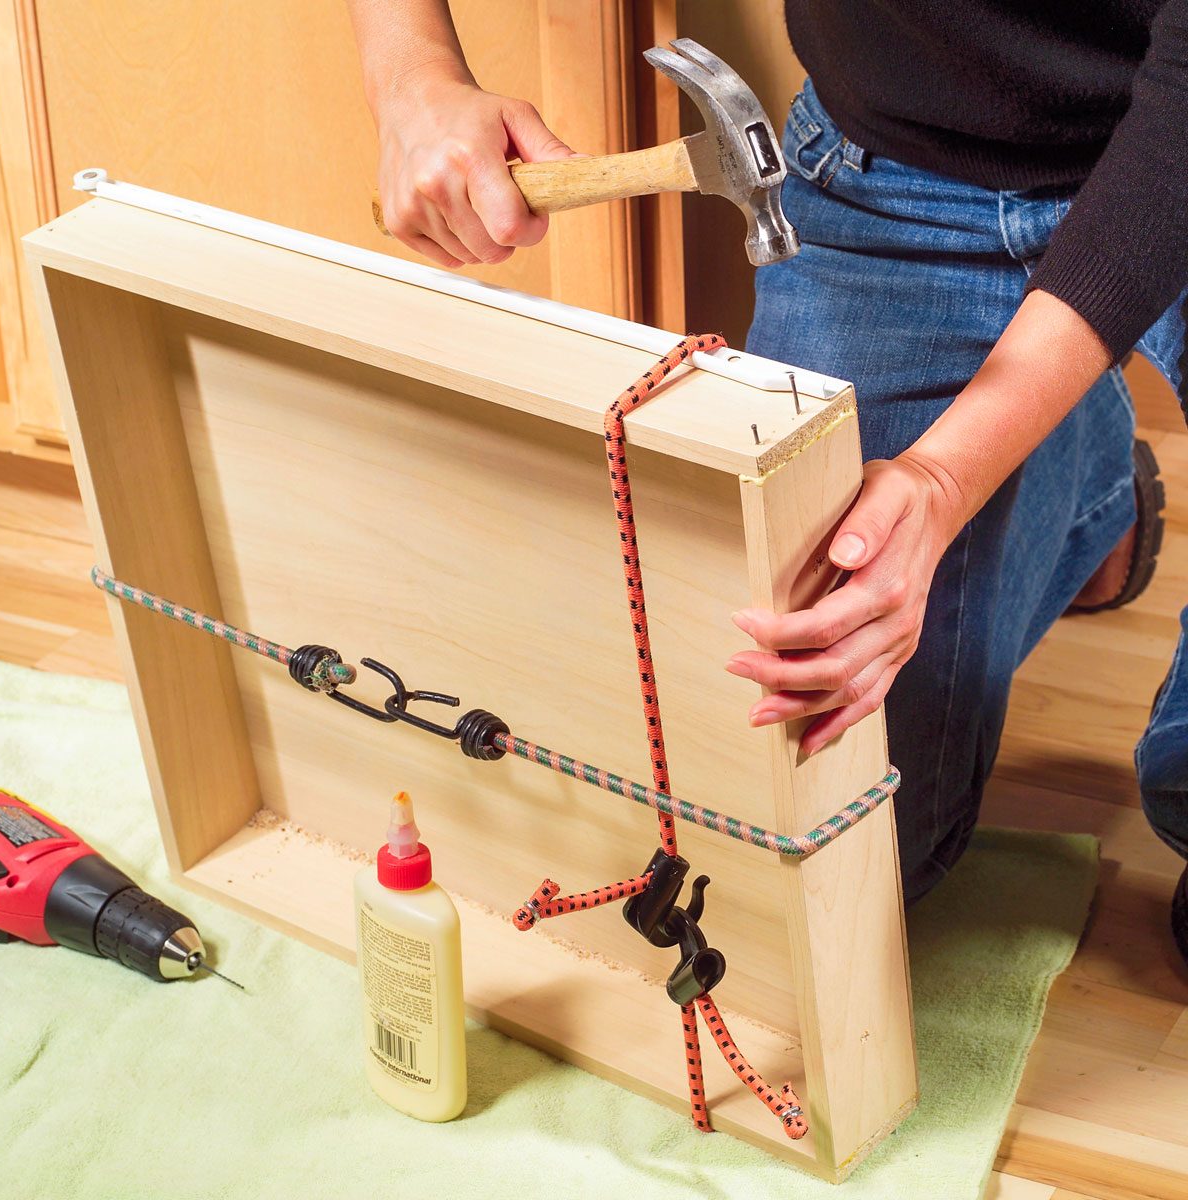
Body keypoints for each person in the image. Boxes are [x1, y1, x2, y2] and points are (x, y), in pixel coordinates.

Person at [347, 1, 1188, 963]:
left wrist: (945, 481)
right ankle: (1079, 472)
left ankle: (1033, 432)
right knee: (821, 845)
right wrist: (412, 77)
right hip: (905, 172)